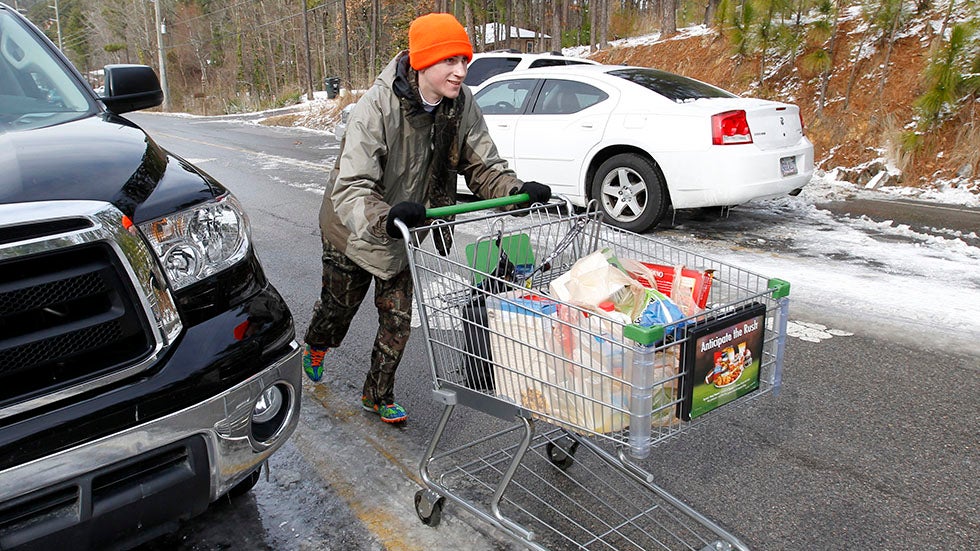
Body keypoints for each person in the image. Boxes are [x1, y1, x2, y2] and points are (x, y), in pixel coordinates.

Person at [303, 13, 551, 424]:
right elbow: (351, 187)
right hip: (355, 226)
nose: (460, 71)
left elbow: (482, 164)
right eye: (450, 61)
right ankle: (316, 342)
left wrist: (517, 191)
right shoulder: (376, 108)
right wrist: (385, 216)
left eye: (464, 61)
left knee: (398, 319)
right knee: (337, 309)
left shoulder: (461, 105)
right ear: (423, 62)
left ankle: (377, 394)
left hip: (406, 230)